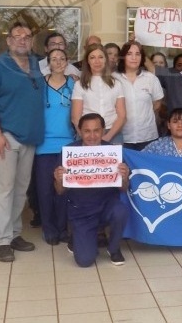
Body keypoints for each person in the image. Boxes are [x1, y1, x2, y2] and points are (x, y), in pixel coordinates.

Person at [0, 22, 45, 262]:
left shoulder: (36, 64)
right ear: (8, 41)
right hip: (5, 136)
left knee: (20, 190)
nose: (22, 40)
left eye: (27, 36)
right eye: (17, 36)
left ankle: (15, 233)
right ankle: (2, 240)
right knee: (3, 190)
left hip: (30, 137)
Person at [53, 114, 130, 267]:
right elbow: (60, 191)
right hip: (82, 211)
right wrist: (59, 179)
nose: (92, 136)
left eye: (96, 131)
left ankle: (113, 248)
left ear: (102, 131)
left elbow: (123, 188)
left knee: (121, 211)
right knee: (85, 261)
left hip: (107, 206)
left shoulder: (112, 152)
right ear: (80, 132)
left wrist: (125, 176)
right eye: (87, 131)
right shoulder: (69, 152)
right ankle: (78, 237)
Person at [34, 47, 77, 246]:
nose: (58, 62)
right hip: (43, 146)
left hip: (68, 146)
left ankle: (62, 229)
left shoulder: (74, 85)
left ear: (67, 61)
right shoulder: (40, 85)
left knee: (64, 189)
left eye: (61, 58)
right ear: (48, 63)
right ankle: (49, 229)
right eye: (53, 59)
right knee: (45, 190)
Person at [72, 43, 127, 144]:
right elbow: (76, 118)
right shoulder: (79, 84)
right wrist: (86, 136)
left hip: (112, 133)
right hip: (87, 134)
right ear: (88, 61)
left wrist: (107, 137)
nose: (97, 61)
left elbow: (122, 116)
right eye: (92, 57)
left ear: (106, 59)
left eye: (100, 57)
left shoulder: (116, 84)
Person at [116, 41, 164, 150]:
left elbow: (157, 103)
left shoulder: (151, 78)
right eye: (129, 54)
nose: (134, 57)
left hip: (147, 137)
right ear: (123, 57)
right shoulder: (114, 78)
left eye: (137, 54)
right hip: (122, 137)